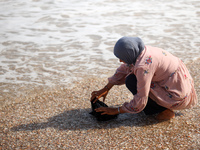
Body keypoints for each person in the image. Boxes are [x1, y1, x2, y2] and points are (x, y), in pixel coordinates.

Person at [90, 36, 197, 121]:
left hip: (177, 96)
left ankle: (164, 111)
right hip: (179, 83)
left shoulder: (143, 66)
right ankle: (156, 106)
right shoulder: (142, 51)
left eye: (121, 58)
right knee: (131, 76)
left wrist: (117, 110)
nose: (120, 61)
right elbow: (124, 69)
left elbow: (142, 97)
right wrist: (106, 88)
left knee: (131, 81)